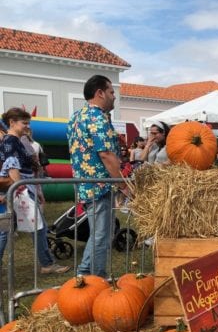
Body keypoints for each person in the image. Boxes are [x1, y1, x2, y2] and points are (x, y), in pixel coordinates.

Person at [67, 74, 126, 277]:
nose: (114, 97)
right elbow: (106, 154)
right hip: (99, 186)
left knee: (100, 233)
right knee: (101, 234)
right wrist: (124, 185)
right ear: (99, 93)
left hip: (86, 185)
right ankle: (92, 277)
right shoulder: (97, 117)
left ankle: (88, 274)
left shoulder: (76, 116)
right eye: (111, 92)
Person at [0, 107, 69, 274]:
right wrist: (20, 187)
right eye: (24, 123)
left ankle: (46, 263)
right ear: (12, 122)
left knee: (8, 229)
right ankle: (47, 264)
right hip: (20, 189)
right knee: (37, 227)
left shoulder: (16, 140)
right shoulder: (11, 141)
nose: (27, 126)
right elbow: (11, 166)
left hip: (21, 187)